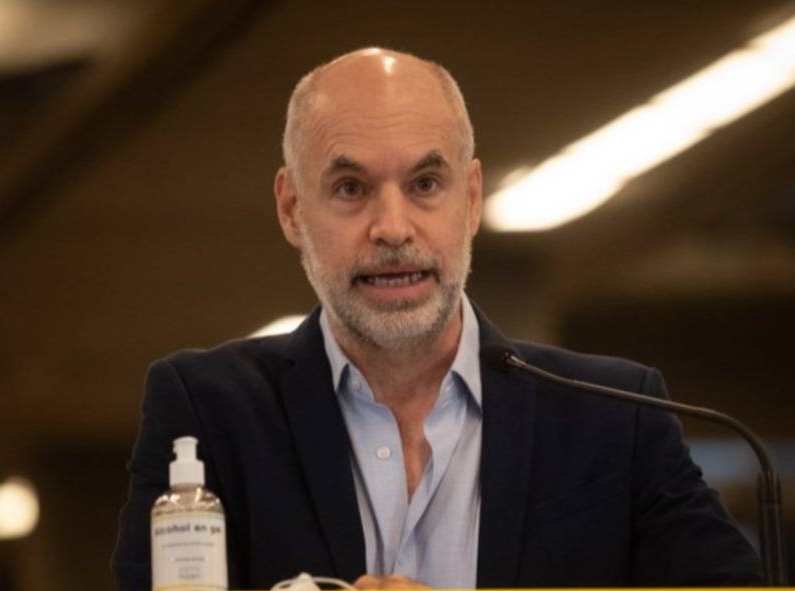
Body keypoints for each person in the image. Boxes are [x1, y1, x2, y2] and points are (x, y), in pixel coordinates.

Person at [112, 47, 762, 590]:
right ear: (291, 209)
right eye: (350, 189)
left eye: (425, 184)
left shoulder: (615, 417)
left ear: (471, 198)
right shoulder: (206, 413)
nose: (393, 228)